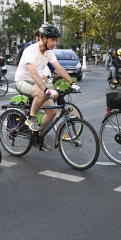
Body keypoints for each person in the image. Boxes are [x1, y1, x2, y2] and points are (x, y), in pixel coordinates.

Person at [14, 24, 79, 152]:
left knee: (52, 111)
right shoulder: (31, 50)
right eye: (53, 40)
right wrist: (45, 89)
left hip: (35, 83)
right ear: (44, 39)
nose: (55, 43)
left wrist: (72, 83)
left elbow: (59, 68)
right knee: (43, 93)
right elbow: (32, 72)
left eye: (56, 40)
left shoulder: (49, 53)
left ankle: (38, 137)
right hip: (22, 81)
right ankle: (31, 118)